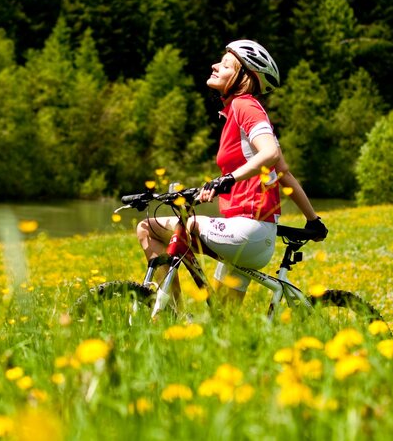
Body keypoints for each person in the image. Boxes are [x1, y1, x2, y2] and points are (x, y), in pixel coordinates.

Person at [135, 39, 327, 306]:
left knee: (148, 228)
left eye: (225, 64)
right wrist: (313, 220)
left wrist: (227, 179)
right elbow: (283, 172)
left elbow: (270, 153)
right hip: (250, 236)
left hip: (245, 232)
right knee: (224, 329)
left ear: (244, 78)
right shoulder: (238, 113)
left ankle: (169, 315)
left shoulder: (245, 105)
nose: (214, 66)